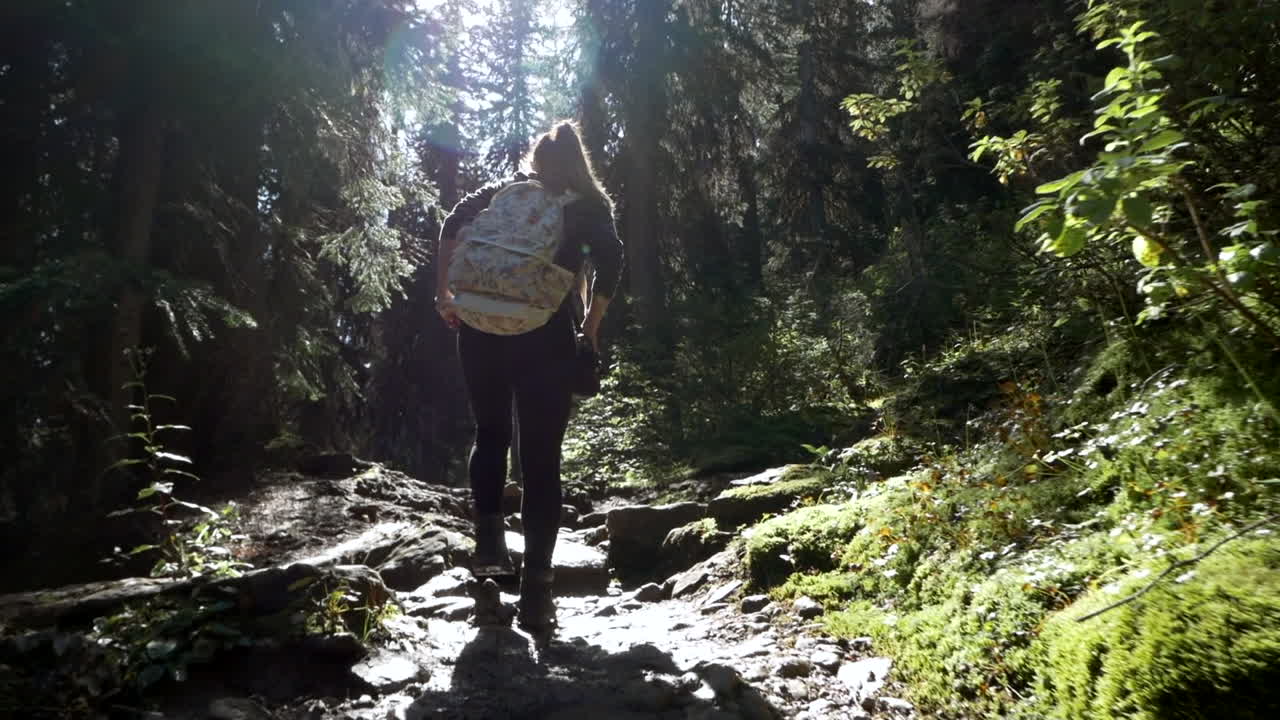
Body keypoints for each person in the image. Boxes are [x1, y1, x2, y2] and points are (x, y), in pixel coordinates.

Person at [434, 121, 623, 631]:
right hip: (547, 335)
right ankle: (537, 592)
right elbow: (611, 257)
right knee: (540, 457)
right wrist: (591, 323)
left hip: (480, 327)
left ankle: (490, 546)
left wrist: (444, 295)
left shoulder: (505, 193)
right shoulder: (584, 205)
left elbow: (452, 223)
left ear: (536, 158)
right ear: (578, 161)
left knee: (490, 433)